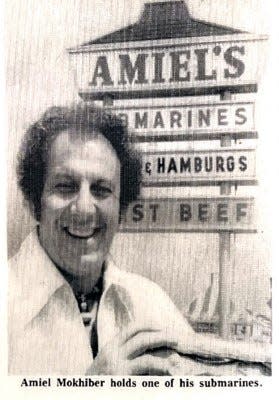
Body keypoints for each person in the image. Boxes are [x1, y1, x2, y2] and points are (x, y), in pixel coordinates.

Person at [9, 103, 271, 375]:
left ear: (121, 209)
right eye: (65, 186)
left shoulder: (150, 302)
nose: (84, 209)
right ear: (33, 201)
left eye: (101, 189)